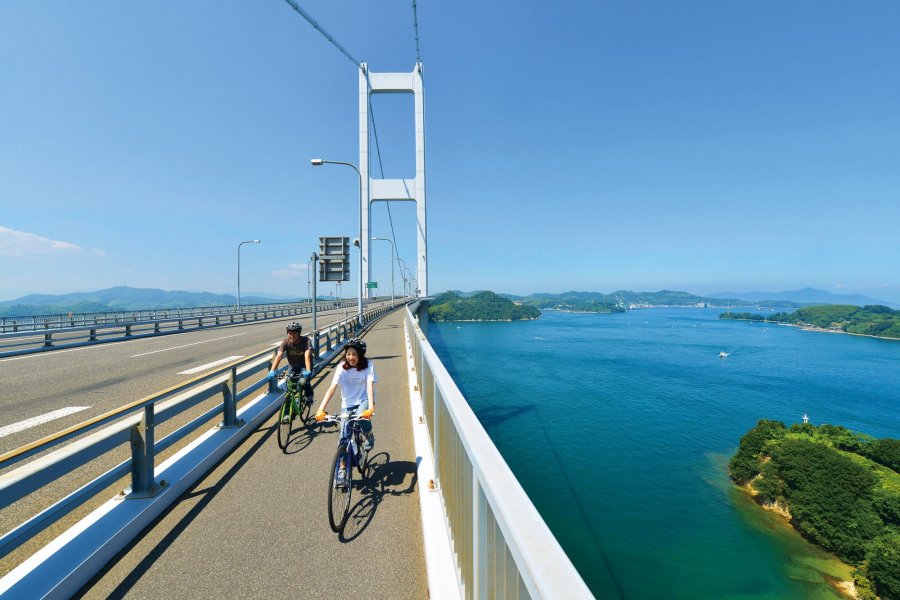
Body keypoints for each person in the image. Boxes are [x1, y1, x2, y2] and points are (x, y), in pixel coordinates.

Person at [315, 337, 376, 485]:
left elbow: (369, 386)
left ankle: (369, 435)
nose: (350, 357)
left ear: (360, 355)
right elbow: (332, 388)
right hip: (347, 404)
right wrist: (320, 409)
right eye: (348, 354)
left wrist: (371, 407)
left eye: (354, 354)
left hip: (363, 400)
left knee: (362, 417)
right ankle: (342, 469)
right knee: (343, 438)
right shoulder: (341, 367)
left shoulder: (368, 366)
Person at [268, 322, 314, 413]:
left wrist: (308, 370)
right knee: (290, 385)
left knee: (303, 382)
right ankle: (289, 409)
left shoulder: (306, 341)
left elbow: (307, 357)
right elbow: (278, 357)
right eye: (290, 333)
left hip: (305, 365)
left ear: (299, 333)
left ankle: (309, 396)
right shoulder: (285, 342)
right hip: (293, 366)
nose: (292, 336)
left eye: (294, 333)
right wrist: (272, 370)